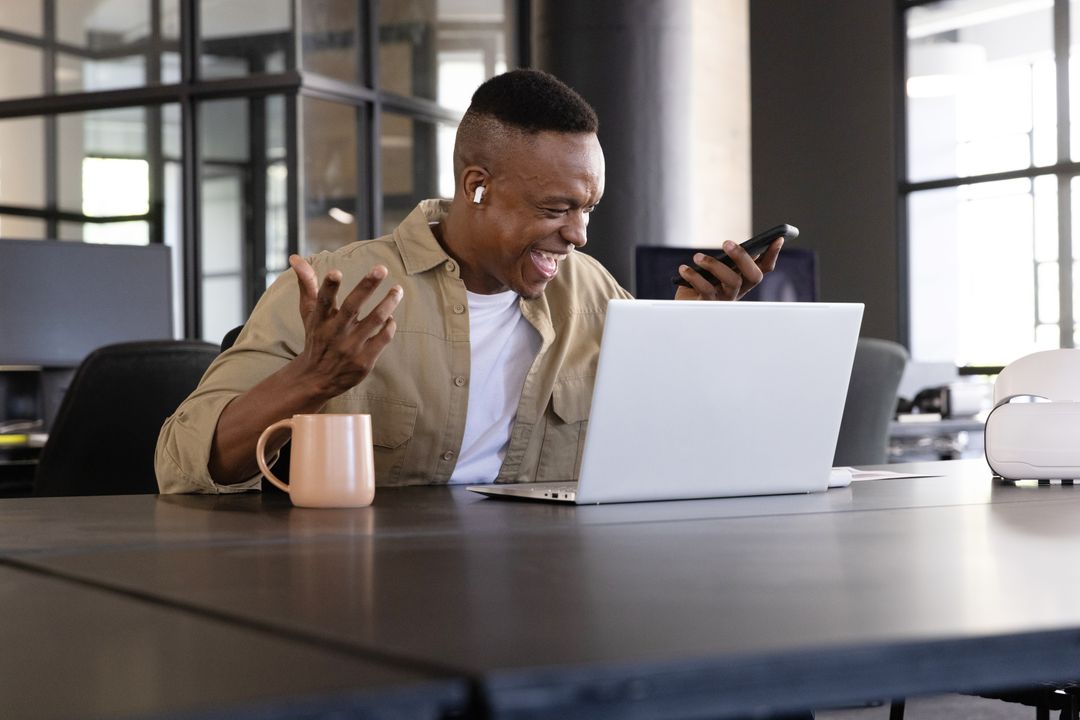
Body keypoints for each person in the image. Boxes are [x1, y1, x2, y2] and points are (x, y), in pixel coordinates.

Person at [155, 68, 783, 494]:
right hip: (378, 597)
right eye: (555, 209)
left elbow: (652, 448)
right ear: (476, 185)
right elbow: (180, 465)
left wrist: (689, 332)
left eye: (588, 209)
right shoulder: (335, 287)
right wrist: (311, 378)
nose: (579, 234)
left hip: (552, 588)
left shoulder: (589, 289)